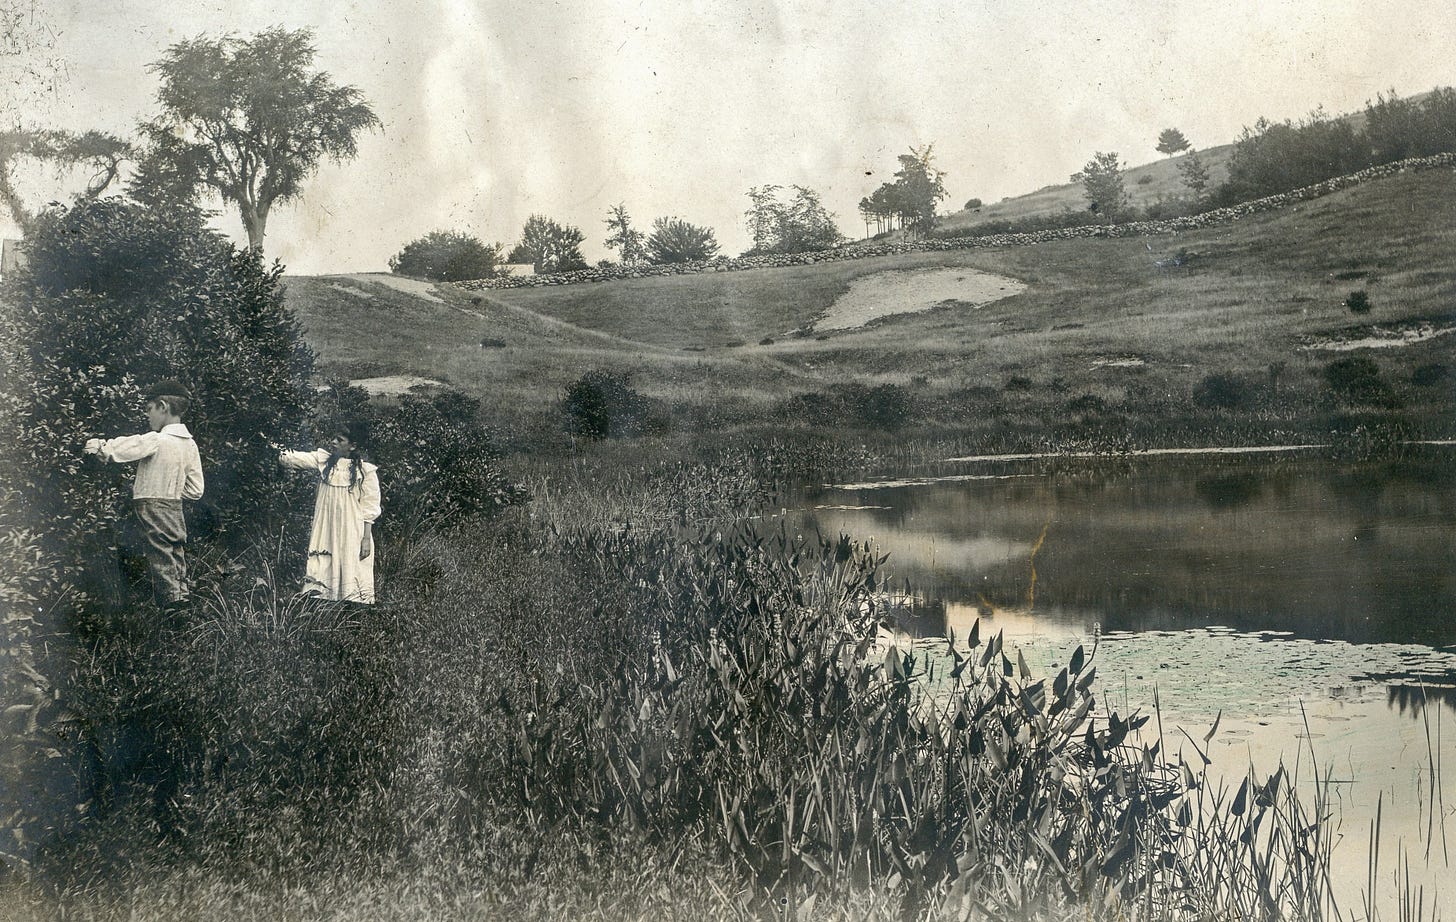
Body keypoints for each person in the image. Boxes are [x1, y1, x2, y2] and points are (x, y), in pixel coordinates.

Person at [84, 379, 205, 609]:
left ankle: (172, 611)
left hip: (151, 507)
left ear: (163, 406)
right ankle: (183, 600)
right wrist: (170, 489)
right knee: (175, 552)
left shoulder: (157, 440)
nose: (148, 416)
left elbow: (127, 447)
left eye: (149, 409)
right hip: (175, 508)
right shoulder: (190, 445)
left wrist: (100, 446)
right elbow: (196, 490)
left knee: (159, 556)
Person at [278, 421, 381, 604]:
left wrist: (366, 538)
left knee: (350, 564)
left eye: (339, 440)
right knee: (323, 561)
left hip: (352, 528)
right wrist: (269, 447)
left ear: (352, 446)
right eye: (333, 438)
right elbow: (295, 458)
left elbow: (369, 507)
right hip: (326, 525)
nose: (333, 442)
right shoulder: (324, 461)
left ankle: (350, 610)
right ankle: (322, 604)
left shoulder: (365, 471)